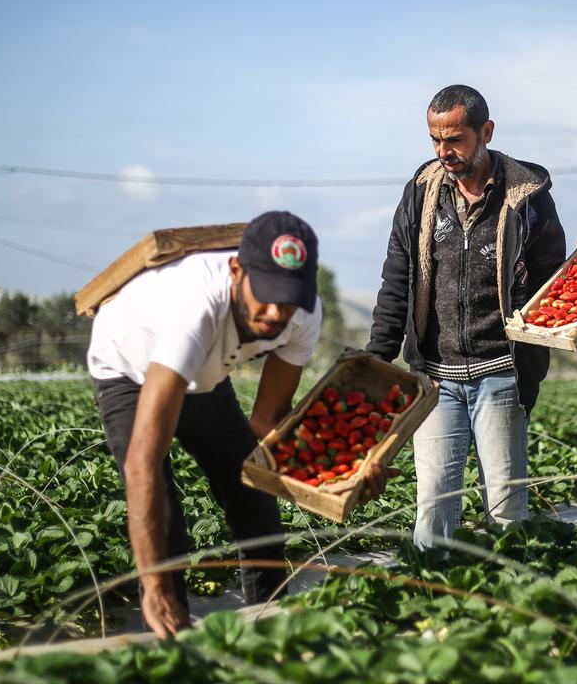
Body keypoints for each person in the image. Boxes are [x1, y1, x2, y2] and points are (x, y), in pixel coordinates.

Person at [87, 211, 387, 638]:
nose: (274, 311)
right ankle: (169, 631)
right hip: (129, 367)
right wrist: (153, 585)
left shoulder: (301, 316)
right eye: (265, 294)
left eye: (287, 298)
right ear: (235, 271)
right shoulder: (195, 309)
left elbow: (267, 420)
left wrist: (344, 471)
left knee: (254, 497)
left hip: (206, 374)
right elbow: (142, 465)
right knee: (165, 513)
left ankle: (268, 630)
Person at [367, 84, 577, 549]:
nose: (444, 151)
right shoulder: (420, 195)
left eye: (456, 139)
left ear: (485, 131)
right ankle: (435, 601)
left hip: (502, 373)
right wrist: (374, 362)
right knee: (433, 512)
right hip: (435, 379)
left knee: (507, 514)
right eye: (435, 140)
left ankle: (509, 601)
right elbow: (396, 284)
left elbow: (557, 286)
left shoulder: (528, 198)